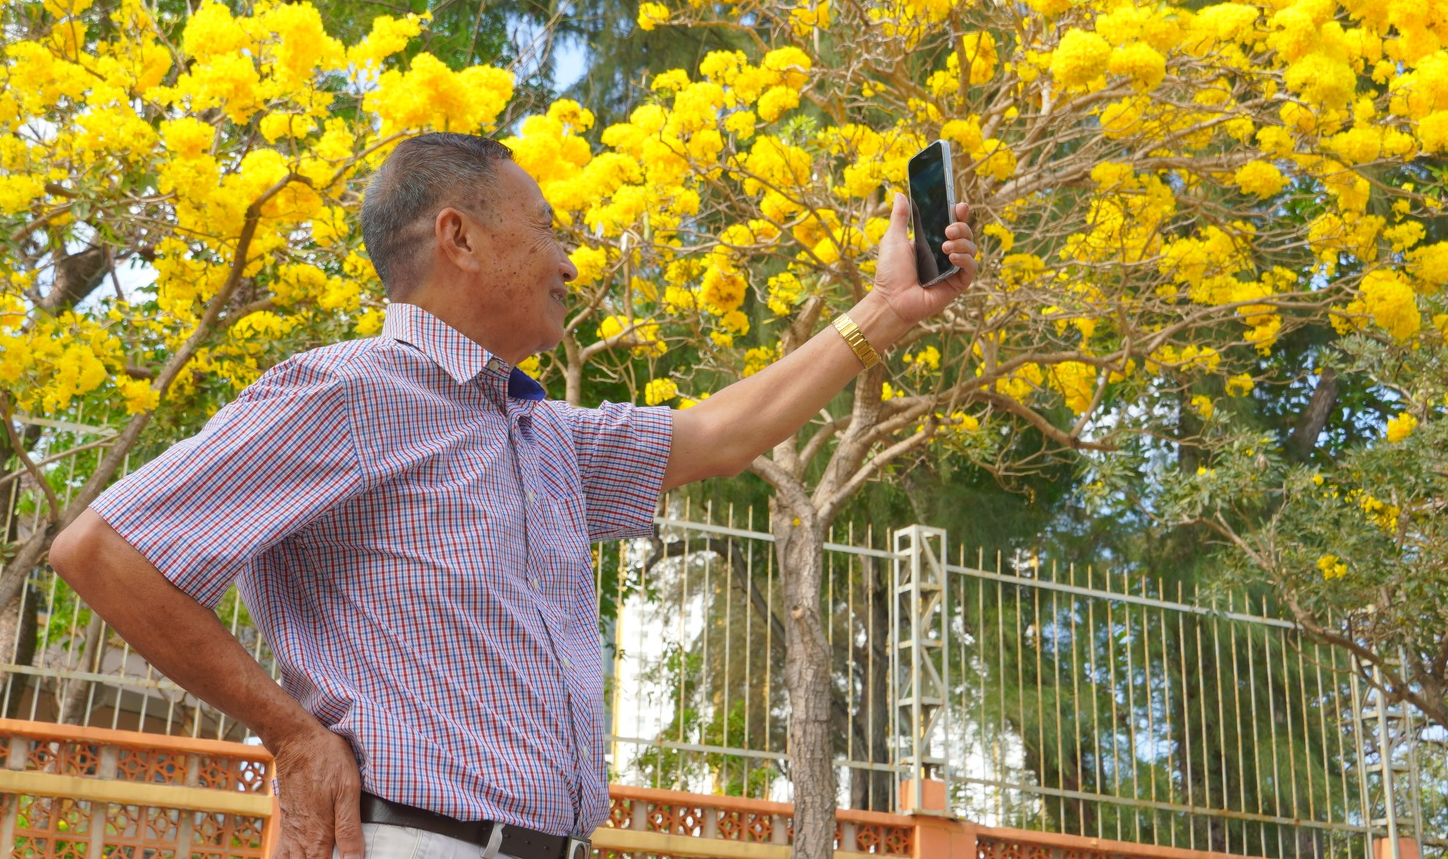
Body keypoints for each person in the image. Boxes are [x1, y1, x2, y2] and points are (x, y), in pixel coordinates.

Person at [50, 132, 977, 859]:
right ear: (458, 236)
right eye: (547, 229)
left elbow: (720, 434)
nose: (568, 264)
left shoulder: (541, 433)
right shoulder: (347, 391)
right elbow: (102, 550)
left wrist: (887, 310)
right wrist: (292, 736)